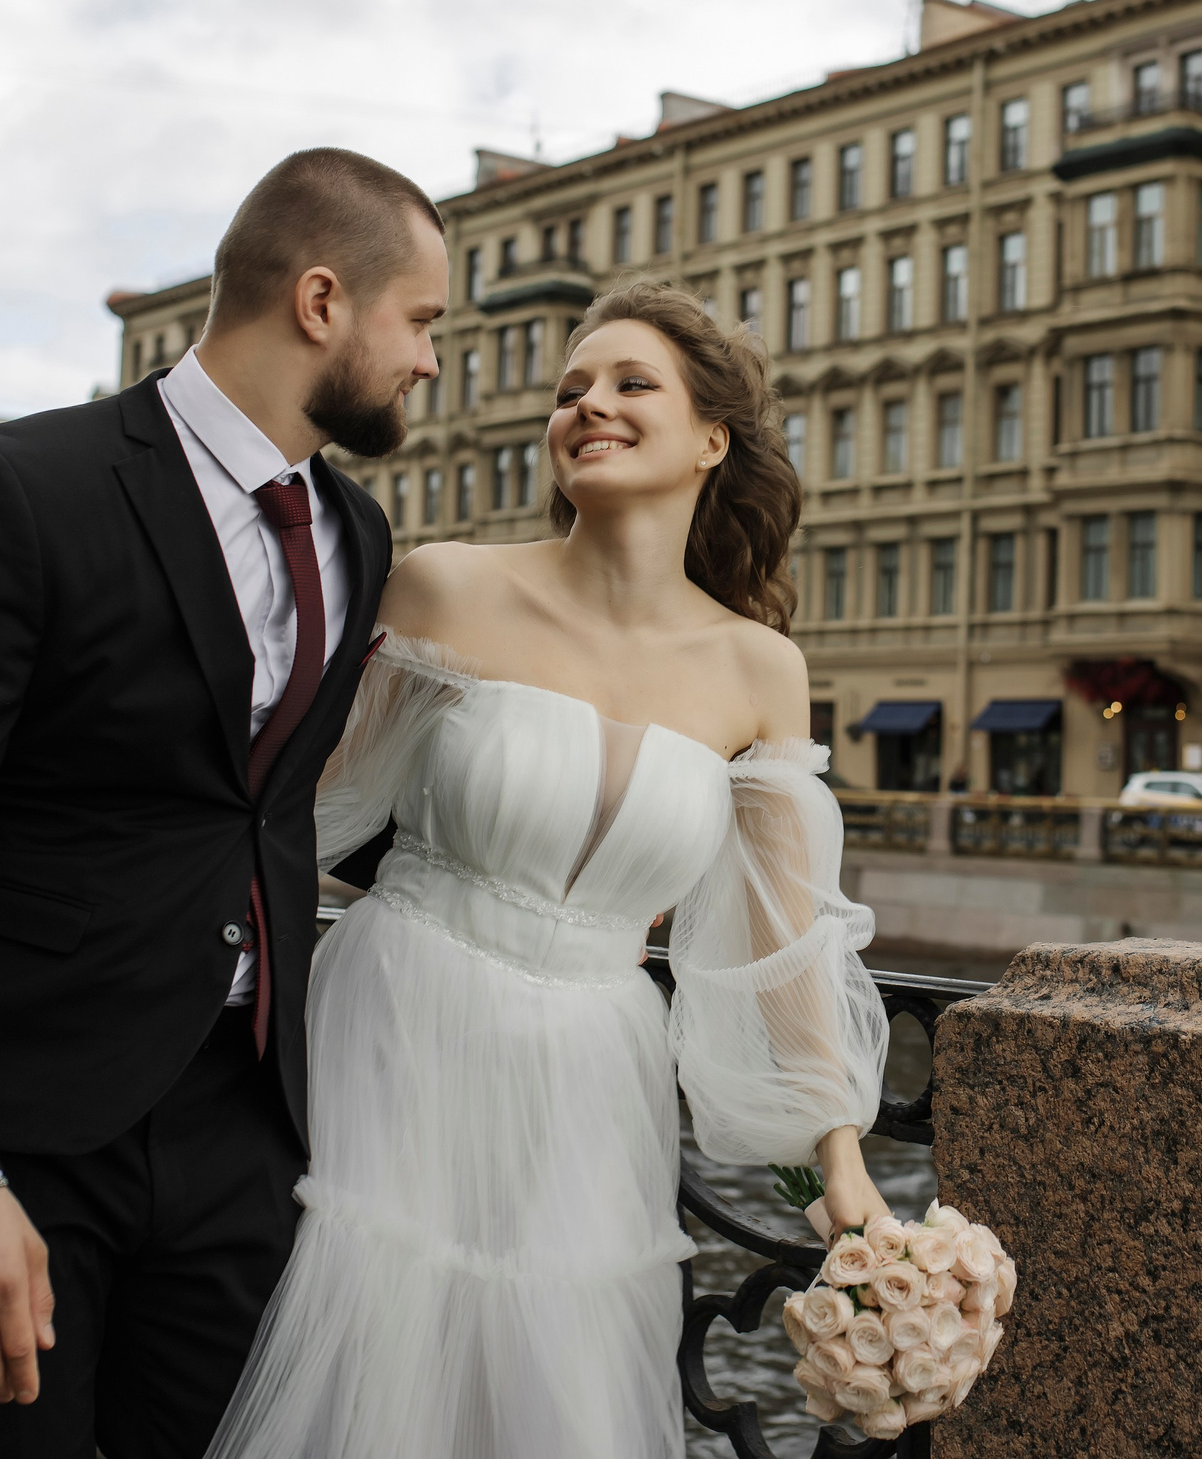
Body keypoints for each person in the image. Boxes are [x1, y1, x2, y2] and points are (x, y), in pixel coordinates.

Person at [0, 149, 444, 1457]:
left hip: (242, 1135)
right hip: (12, 1129)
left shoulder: (360, 533)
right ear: (322, 300)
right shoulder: (13, 490)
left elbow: (265, 812)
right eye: (423, 321)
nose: (430, 362)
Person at [204, 283, 892, 1457]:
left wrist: (843, 1166)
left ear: (712, 439)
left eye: (632, 385)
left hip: (594, 1074)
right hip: (399, 1022)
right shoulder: (446, 586)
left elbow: (787, 944)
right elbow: (294, 818)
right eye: (571, 389)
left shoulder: (760, 668)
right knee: (376, 1370)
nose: (591, 406)